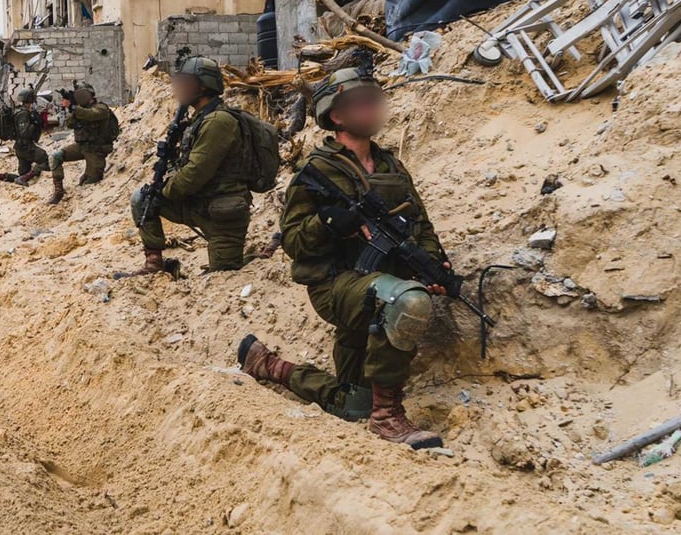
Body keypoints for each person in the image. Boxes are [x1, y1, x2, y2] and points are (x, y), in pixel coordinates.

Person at [238, 67, 449, 450]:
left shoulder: (392, 167)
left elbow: (422, 225)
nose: (372, 110)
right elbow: (295, 242)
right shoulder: (318, 170)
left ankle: (270, 366)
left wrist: (434, 264)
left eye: (374, 102)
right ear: (336, 116)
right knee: (410, 301)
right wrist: (331, 222)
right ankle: (388, 419)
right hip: (335, 285)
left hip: (379, 284)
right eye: (361, 104)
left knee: (353, 405)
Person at [130, 56, 251, 276]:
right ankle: (154, 264)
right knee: (143, 199)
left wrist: (165, 189)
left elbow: (194, 174)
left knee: (224, 272)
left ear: (203, 85)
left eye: (184, 82)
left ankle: (262, 254)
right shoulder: (199, 119)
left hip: (223, 211)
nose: (177, 87)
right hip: (201, 203)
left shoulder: (218, 122)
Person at [48, 82, 116, 205]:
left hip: (96, 150)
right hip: (82, 147)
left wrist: (74, 107)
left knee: (90, 182)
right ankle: (58, 190)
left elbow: (92, 115)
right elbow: (70, 123)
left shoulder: (101, 108)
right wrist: (71, 108)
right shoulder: (80, 110)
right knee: (56, 156)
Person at [0, 88, 48, 190]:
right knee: (46, 159)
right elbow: (24, 133)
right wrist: (34, 124)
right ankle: (23, 178)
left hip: (20, 148)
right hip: (26, 147)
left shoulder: (19, 111)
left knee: (23, 174)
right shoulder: (23, 113)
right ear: (30, 99)